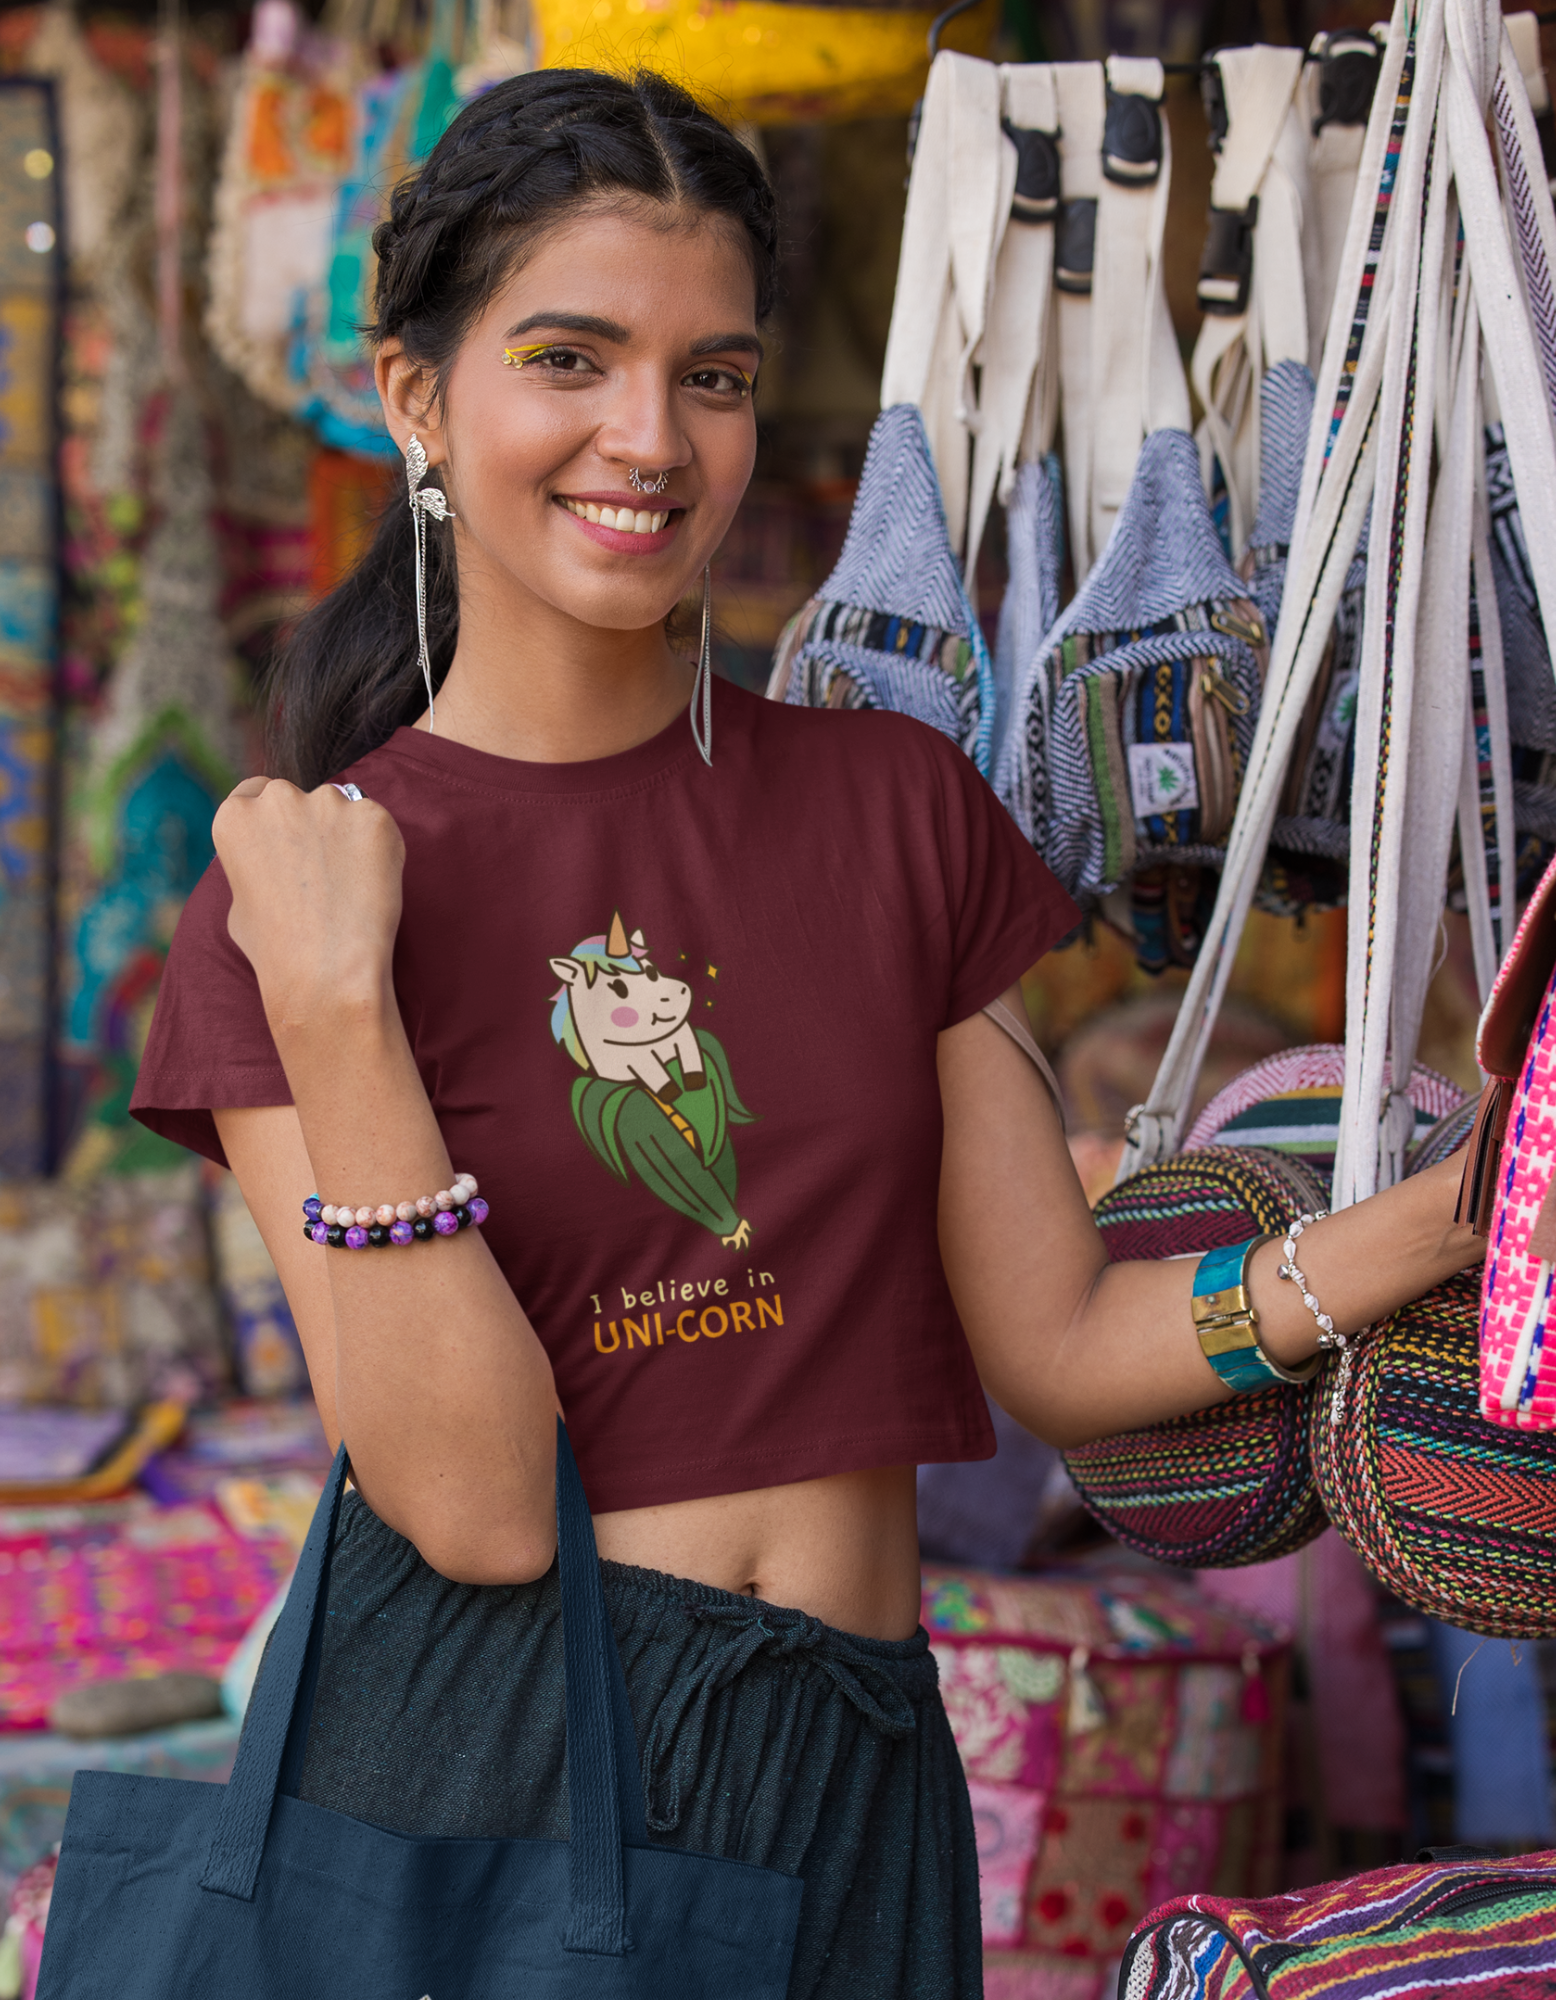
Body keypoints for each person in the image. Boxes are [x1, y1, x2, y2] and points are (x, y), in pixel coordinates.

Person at [129, 67, 1485, 2000]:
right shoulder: (307, 902)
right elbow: (482, 1511)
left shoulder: (891, 810)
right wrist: (341, 1013)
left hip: (856, 1750)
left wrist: (1455, 1219)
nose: (647, 438)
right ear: (420, 403)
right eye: (570, 359)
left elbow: (1067, 1343)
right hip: (507, 1762)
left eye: (714, 374)